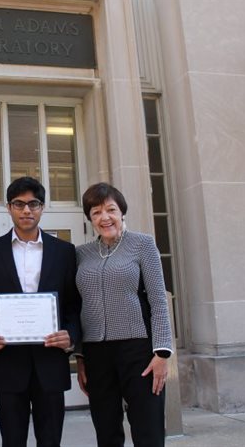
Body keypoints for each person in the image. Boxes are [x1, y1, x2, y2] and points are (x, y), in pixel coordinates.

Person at [0, 176, 81, 447]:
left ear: (42, 207)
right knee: (12, 441)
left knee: (51, 440)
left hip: (51, 364)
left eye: (33, 204)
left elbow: (73, 305)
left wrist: (70, 335)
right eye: (19, 204)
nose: (26, 210)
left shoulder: (65, 252)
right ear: (9, 208)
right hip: (8, 364)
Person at [75, 182, 173, 447]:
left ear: (121, 213)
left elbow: (158, 300)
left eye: (110, 209)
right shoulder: (81, 254)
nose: (104, 217)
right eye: (96, 212)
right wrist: (81, 357)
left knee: (147, 429)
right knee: (106, 431)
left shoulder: (142, 244)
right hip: (97, 353)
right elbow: (79, 305)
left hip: (138, 351)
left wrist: (162, 353)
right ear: (90, 218)